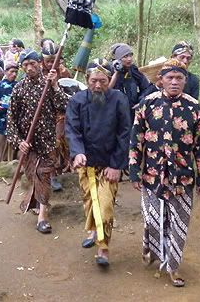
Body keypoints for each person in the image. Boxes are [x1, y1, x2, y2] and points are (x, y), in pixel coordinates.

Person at [129, 58, 200, 287]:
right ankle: (153, 249)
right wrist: (134, 171)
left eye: (179, 78)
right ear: (160, 80)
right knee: (153, 221)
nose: (174, 82)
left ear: (185, 81)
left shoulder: (195, 109)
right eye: (170, 78)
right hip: (152, 176)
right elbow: (135, 141)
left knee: (179, 224)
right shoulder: (147, 105)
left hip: (182, 178)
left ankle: (173, 267)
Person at [65, 58, 131, 267]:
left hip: (110, 163)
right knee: (90, 202)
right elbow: (72, 130)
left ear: (109, 79)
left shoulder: (119, 99)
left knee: (104, 206)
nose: (98, 85)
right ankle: (94, 232)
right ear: (87, 79)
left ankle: (103, 247)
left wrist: (117, 165)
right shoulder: (77, 100)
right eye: (94, 80)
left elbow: (124, 133)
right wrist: (77, 153)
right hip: (86, 163)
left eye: (103, 81)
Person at [7, 49, 68, 234]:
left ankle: (43, 215)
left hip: (48, 141)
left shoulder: (49, 84)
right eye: (25, 65)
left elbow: (63, 106)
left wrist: (55, 85)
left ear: (39, 64)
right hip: (29, 144)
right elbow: (12, 118)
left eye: (32, 64)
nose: (29, 68)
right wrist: (19, 141)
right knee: (32, 174)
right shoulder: (19, 88)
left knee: (43, 174)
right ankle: (36, 201)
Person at [40, 38, 72, 191]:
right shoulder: (38, 72)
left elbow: (71, 91)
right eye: (48, 60)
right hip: (44, 114)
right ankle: (51, 175)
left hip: (61, 113)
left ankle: (63, 168)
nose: (50, 63)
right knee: (49, 144)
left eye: (54, 60)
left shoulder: (64, 71)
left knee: (60, 141)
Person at [109, 43, 151, 120]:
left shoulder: (133, 70)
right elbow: (105, 92)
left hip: (133, 112)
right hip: (116, 114)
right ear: (118, 59)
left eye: (130, 55)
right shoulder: (110, 72)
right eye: (125, 56)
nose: (129, 59)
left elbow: (147, 87)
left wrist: (140, 101)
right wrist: (117, 73)